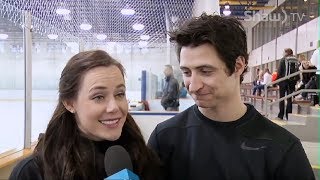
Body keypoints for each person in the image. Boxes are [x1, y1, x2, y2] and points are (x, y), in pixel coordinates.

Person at [148, 13, 314, 180]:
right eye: (186, 72)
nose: (193, 85)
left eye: (205, 71)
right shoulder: (164, 138)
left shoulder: (282, 149)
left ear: (238, 66)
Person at [9, 50, 161, 180]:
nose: (114, 107)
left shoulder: (145, 160)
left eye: (120, 94)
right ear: (69, 103)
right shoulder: (33, 172)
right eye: (99, 97)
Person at [276, 48, 299, 120]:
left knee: (282, 98)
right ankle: (289, 115)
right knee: (289, 99)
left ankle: (281, 115)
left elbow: (279, 72)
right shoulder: (295, 60)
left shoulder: (283, 59)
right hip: (292, 82)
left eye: (283, 52)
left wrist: (277, 82)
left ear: (286, 53)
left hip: (283, 82)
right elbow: (297, 71)